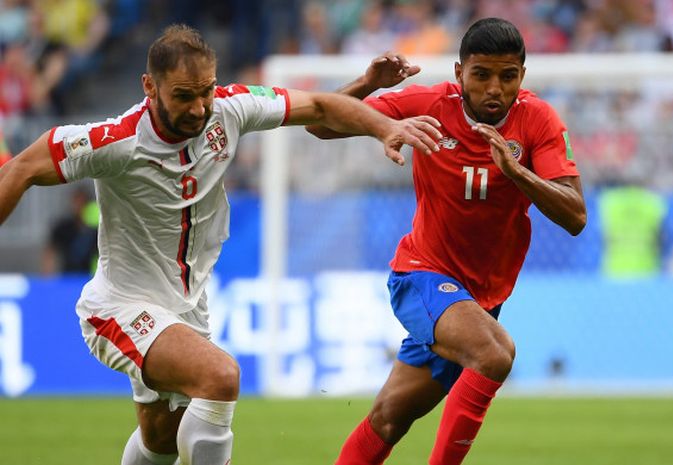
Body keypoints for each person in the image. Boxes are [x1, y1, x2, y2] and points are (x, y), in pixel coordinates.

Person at [0, 24, 442, 465]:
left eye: (206, 91)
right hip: (119, 306)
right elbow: (19, 169)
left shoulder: (230, 108)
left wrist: (381, 121)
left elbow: (321, 106)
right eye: (184, 95)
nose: (199, 108)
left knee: (160, 442)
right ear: (149, 87)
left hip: (187, 306)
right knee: (220, 376)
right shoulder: (115, 142)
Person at [307, 17, 587, 465]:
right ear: (460, 74)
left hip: (476, 301)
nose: (495, 88)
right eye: (481, 75)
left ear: (522, 77)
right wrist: (366, 84)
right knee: (494, 353)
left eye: (508, 76)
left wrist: (518, 173)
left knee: (388, 419)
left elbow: (575, 215)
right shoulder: (431, 103)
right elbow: (321, 124)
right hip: (421, 276)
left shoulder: (538, 120)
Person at [41, 187, 99, 274]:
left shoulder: (96, 229)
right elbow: (50, 252)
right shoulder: (63, 227)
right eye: (76, 202)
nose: (78, 206)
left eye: (81, 202)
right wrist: (48, 277)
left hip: (90, 277)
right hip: (68, 278)